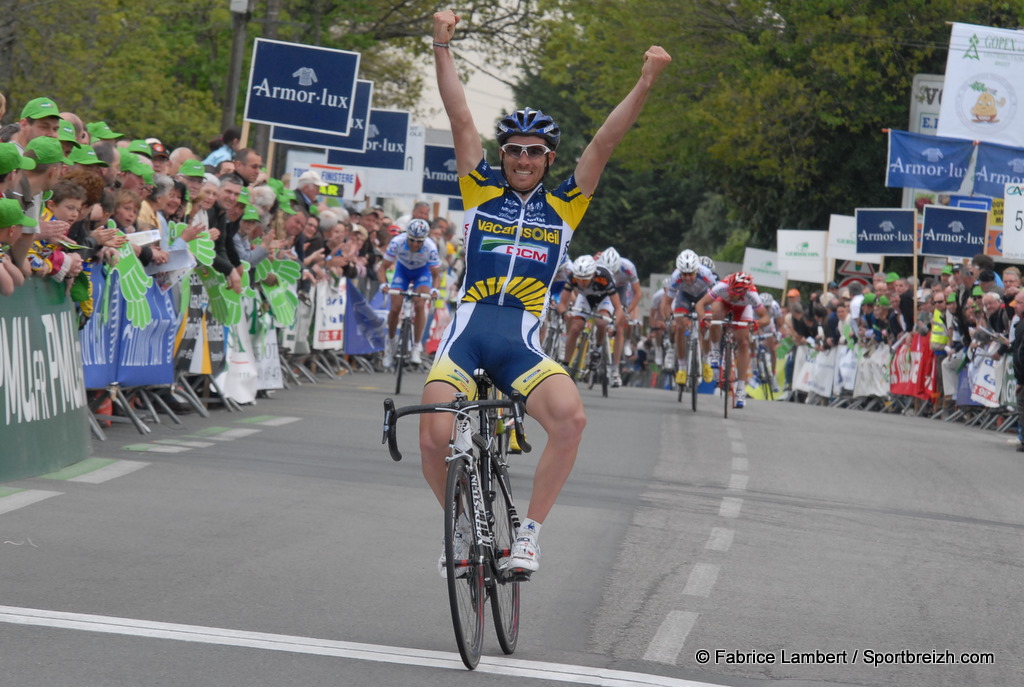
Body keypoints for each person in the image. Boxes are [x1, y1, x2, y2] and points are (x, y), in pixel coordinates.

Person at [421, 9, 670, 577]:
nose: (524, 159)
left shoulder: (565, 205)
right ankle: (459, 527)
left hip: (520, 341)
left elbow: (606, 142)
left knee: (571, 421)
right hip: (467, 333)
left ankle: (528, 536)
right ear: (502, 154)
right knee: (433, 436)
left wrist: (646, 81)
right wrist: (441, 46)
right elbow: (461, 116)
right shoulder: (479, 191)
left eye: (535, 152)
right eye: (514, 150)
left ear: (549, 158)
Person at [695, 272, 770, 409]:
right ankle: (716, 350)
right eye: (730, 291)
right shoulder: (722, 287)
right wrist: (703, 317)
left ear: (743, 293)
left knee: (744, 342)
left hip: (742, 309)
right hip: (722, 305)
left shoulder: (752, 295)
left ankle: (740, 389)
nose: (730, 294)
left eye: (734, 293)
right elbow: (701, 304)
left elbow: (766, 318)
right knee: (715, 313)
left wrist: (757, 324)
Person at [377, 217, 442, 367]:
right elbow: (382, 268)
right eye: (411, 240)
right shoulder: (397, 242)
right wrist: (384, 285)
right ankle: (391, 346)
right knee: (394, 308)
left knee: (420, 305)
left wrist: (434, 290)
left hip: (421, 273)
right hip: (402, 272)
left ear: (424, 240)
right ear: (407, 236)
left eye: (419, 241)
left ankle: (416, 347)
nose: (414, 244)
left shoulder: (430, 247)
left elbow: (436, 275)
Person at [558, 255, 622, 376]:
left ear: (593, 275)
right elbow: (562, 303)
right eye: (579, 279)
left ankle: (597, 348)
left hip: (604, 298)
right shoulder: (573, 277)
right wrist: (564, 313)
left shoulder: (604, 277)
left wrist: (614, 324)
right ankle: (565, 365)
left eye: (585, 280)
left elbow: (618, 307)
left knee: (601, 322)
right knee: (575, 328)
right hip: (584, 298)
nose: (581, 283)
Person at [664, 249, 717, 386]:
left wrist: (712, 315)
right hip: (684, 297)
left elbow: (717, 297)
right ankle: (682, 367)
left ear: (697, 271)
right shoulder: (675, 278)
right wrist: (671, 319)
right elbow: (667, 302)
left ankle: (706, 361)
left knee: (706, 325)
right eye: (684, 274)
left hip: (703, 296)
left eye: (691, 274)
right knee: (680, 327)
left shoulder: (706, 274)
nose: (687, 278)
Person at [597, 246, 641, 387]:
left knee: (620, 326)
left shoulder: (628, 267)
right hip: (602, 288)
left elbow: (637, 293)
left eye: (614, 271)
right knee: (600, 318)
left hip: (620, 290)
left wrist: (627, 310)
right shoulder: (596, 263)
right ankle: (596, 346)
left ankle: (615, 369)